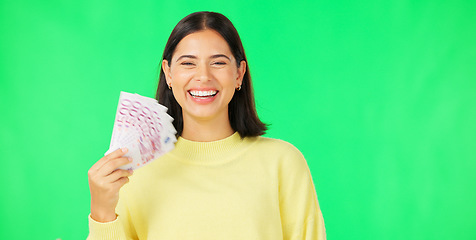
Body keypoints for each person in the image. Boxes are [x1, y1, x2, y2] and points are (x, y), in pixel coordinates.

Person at [87, 11, 326, 239]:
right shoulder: (132, 170)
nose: (203, 76)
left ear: (239, 73)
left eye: (218, 63)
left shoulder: (283, 163)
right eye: (188, 63)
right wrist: (101, 213)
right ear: (168, 74)